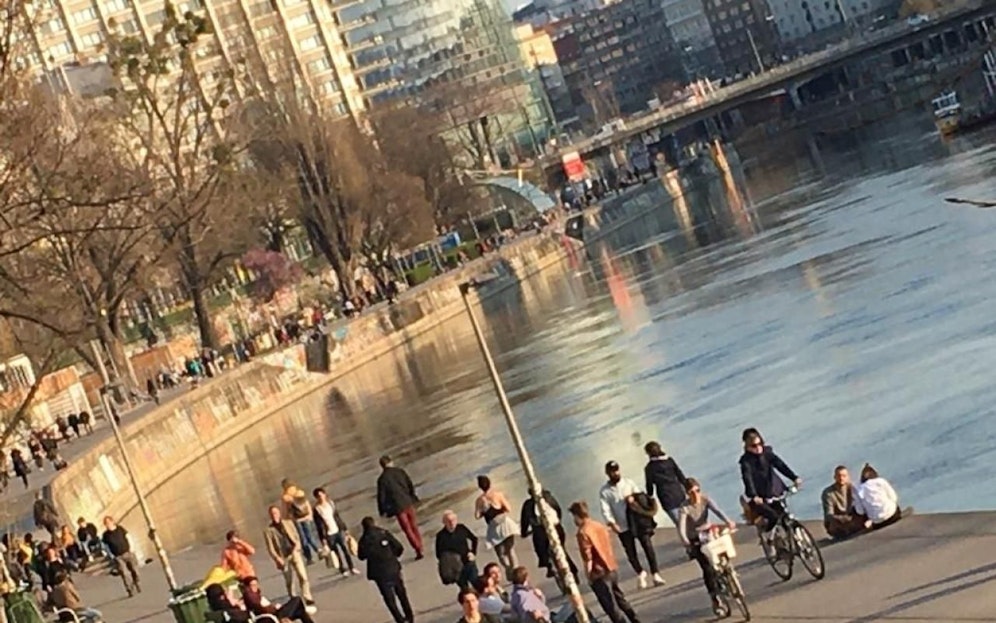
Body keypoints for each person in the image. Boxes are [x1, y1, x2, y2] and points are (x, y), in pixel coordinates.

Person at [569, 500, 641, 623]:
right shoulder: (599, 525)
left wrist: (588, 576)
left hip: (599, 573)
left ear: (577, 516)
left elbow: (588, 558)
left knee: (610, 606)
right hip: (611, 567)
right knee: (620, 599)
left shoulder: (582, 532)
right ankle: (635, 619)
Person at [598, 461, 664, 589]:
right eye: (612, 471)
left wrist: (633, 497)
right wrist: (611, 523)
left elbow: (642, 498)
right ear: (607, 473)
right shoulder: (605, 491)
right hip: (622, 526)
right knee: (630, 552)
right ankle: (640, 572)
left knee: (648, 546)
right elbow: (605, 509)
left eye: (616, 470)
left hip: (637, 522)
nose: (615, 473)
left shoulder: (628, 483)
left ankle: (655, 574)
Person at [677, 478, 736, 615]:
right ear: (687, 493)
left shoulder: (705, 500)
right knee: (707, 568)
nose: (696, 495)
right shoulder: (684, 508)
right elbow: (681, 527)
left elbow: (718, 511)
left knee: (723, 550)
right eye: (691, 492)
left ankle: (729, 574)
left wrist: (728, 521)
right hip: (695, 538)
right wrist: (685, 541)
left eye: (697, 491)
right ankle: (715, 599)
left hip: (708, 532)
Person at [739, 430, 802, 541]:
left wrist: (794, 478)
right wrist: (754, 496)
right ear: (748, 447)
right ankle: (768, 537)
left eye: (760, 444)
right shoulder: (746, 462)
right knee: (773, 516)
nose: (758, 448)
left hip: (775, 489)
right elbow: (747, 478)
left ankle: (794, 541)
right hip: (759, 495)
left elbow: (780, 465)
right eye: (754, 446)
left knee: (785, 516)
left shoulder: (767, 453)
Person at [357, 516, 414, 623]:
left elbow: (361, 556)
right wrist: (392, 556)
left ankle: (399, 619)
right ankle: (410, 617)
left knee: (389, 599)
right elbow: (399, 547)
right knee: (402, 594)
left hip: (379, 573)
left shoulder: (363, 540)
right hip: (393, 568)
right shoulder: (383, 533)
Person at [519, 488, 579, 583]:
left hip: (542, 532)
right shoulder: (549, 498)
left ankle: (548, 565)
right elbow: (558, 510)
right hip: (556, 528)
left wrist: (523, 532)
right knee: (561, 550)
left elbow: (524, 521)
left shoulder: (528, 505)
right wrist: (558, 521)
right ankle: (573, 571)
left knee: (540, 549)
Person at [263, 505, 313, 604]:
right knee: (289, 580)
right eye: (272, 514)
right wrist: (277, 558)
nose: (274, 515)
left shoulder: (288, 523)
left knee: (303, 576)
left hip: (294, 552)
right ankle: (293, 598)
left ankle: (307, 597)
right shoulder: (268, 531)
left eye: (275, 513)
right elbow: (270, 548)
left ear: (279, 513)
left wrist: (297, 546)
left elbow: (296, 536)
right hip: (283, 557)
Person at [376, 455, 423, 560]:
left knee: (407, 529)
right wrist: (413, 496)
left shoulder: (382, 479)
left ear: (382, 466)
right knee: (414, 526)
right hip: (408, 502)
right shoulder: (400, 471)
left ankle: (418, 548)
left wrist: (382, 510)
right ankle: (420, 545)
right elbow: (409, 484)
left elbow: (381, 496)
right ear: (391, 462)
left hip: (397, 507)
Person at [474, 475, 520, 581]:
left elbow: (476, 516)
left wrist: (483, 511)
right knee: (510, 550)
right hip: (505, 524)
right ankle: (516, 571)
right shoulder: (498, 495)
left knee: (501, 554)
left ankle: (508, 569)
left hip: (493, 528)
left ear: (480, 487)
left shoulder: (479, 500)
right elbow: (508, 508)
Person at [312, 487, 358, 575]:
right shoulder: (317, 509)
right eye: (318, 496)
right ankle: (342, 569)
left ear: (325, 494)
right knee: (335, 553)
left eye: (322, 495)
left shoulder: (331, 504)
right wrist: (323, 539)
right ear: (316, 498)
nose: (321, 497)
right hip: (329, 534)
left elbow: (337, 517)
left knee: (345, 549)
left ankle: (352, 567)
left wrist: (345, 528)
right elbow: (319, 525)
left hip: (337, 530)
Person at [643, 441, 690, 523]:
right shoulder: (669, 460)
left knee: (680, 523)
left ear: (648, 453)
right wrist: (687, 487)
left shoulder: (649, 468)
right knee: (689, 520)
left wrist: (649, 498)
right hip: (678, 492)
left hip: (665, 497)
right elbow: (680, 475)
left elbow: (649, 486)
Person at [240, 575, 316, 622]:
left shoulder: (255, 595)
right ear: (248, 587)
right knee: (297, 600)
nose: (255, 587)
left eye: (256, 584)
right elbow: (259, 607)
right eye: (253, 585)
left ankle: (303, 611)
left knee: (300, 611)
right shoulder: (250, 595)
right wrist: (274, 608)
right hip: (275, 616)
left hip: (275, 613)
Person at [280, 479, 321, 565]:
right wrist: (310, 514)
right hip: (305, 517)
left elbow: (285, 511)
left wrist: (285, 519)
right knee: (309, 536)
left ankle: (309, 557)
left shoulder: (286, 497)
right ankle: (318, 550)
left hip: (297, 519)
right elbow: (306, 503)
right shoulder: (300, 493)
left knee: (303, 539)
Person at [435, 510, 479, 590]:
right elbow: (438, 554)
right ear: (444, 522)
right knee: (465, 589)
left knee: (476, 583)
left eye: (453, 520)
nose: (451, 523)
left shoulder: (461, 528)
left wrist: (473, 553)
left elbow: (474, 539)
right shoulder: (440, 536)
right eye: (449, 521)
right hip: (456, 568)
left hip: (468, 561)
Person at [821, 466, 867, 539]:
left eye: (844, 476)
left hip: (851, 517)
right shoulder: (828, 493)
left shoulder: (852, 488)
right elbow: (829, 514)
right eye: (839, 476)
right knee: (833, 523)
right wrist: (843, 519)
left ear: (848, 477)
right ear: (834, 477)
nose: (841, 478)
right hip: (838, 520)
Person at [854, 464, 902, 530]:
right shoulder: (881, 481)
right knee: (894, 505)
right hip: (892, 516)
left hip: (878, 523)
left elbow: (860, 511)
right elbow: (894, 498)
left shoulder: (859, 490)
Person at [101, 516, 140, 597]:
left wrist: (132, 548)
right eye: (106, 524)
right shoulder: (105, 535)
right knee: (124, 573)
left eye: (108, 522)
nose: (108, 525)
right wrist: (110, 555)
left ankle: (136, 582)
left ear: (112, 522)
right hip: (118, 557)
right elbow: (105, 546)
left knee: (134, 570)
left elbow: (128, 537)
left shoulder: (120, 529)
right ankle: (129, 589)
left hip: (128, 552)